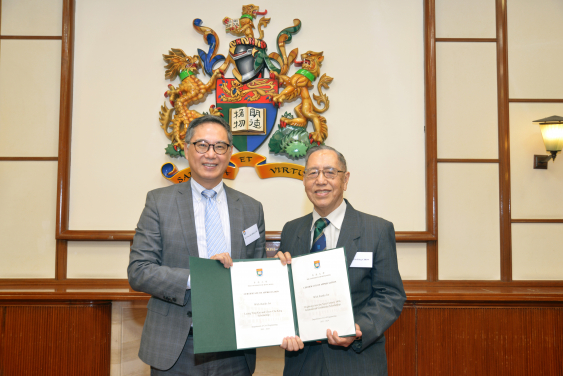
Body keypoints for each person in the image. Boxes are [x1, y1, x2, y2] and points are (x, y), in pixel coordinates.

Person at [128, 115, 266, 375]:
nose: (211, 154)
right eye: (202, 145)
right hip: (176, 348)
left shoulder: (251, 208)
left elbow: (255, 273)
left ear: (230, 153)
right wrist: (199, 277)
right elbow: (139, 271)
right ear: (186, 148)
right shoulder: (159, 203)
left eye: (220, 146)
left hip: (234, 349)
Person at [276, 145, 406, 376]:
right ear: (304, 180)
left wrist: (358, 329)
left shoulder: (377, 229)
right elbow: (287, 299)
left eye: (330, 172)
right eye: (312, 173)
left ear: (345, 180)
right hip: (302, 362)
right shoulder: (291, 230)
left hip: (357, 361)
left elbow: (390, 294)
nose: (321, 180)